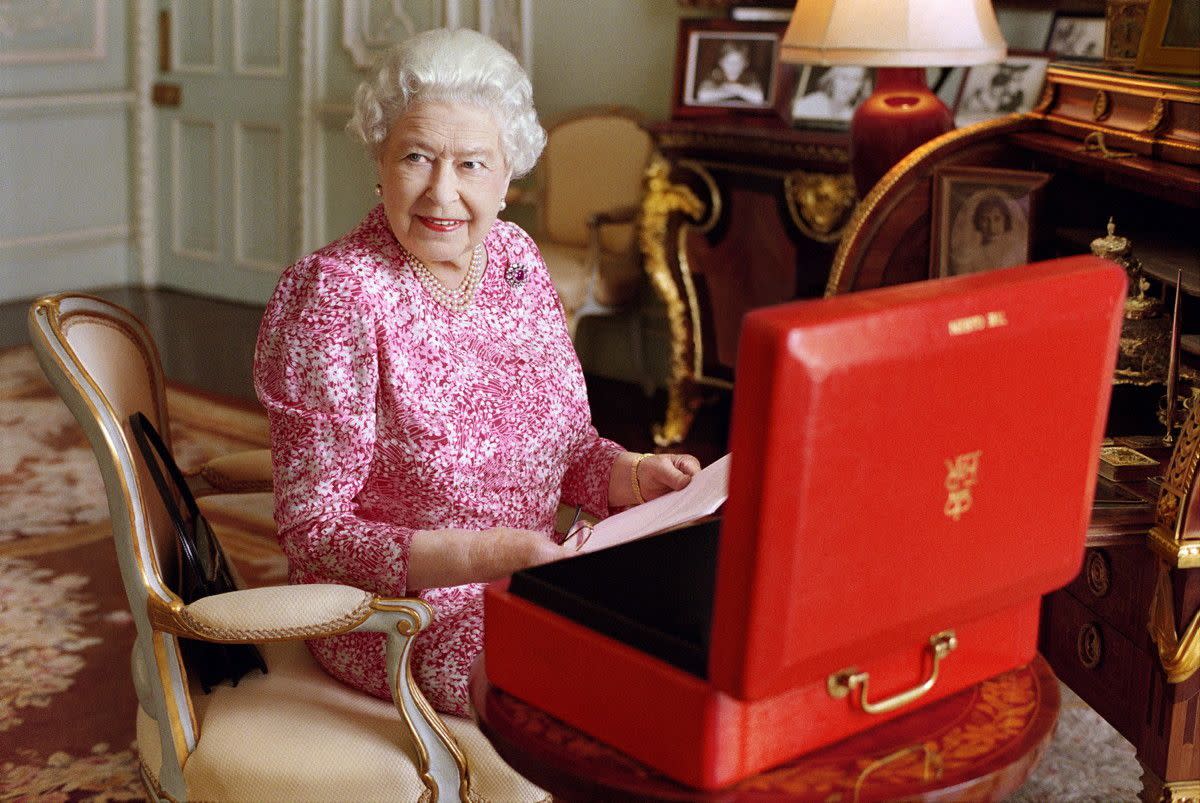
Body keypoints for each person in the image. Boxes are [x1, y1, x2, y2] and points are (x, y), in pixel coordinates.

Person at [254, 28, 701, 717]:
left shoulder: (516, 259)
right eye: (417, 157)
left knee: (691, 640)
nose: (442, 191)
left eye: (470, 164)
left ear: (507, 176)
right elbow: (316, 532)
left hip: (534, 574)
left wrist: (635, 474)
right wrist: (490, 554)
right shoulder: (339, 294)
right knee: (587, 699)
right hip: (400, 614)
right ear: (380, 157)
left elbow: (569, 448)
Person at [949, 190, 1028, 274]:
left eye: (997, 219)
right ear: (977, 221)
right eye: (985, 219)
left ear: (1005, 220)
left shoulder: (1017, 253)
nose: (992, 227)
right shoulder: (971, 256)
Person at [695, 41, 766, 105]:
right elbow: (702, 96)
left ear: (746, 63)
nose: (733, 66)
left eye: (738, 62)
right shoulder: (715, 75)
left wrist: (736, 88)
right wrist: (736, 91)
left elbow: (759, 98)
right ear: (721, 62)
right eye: (728, 62)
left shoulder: (749, 77)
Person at [791, 65, 870, 123]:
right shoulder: (807, 105)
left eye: (855, 79)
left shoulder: (852, 116)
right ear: (832, 79)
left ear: (861, 85)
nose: (848, 85)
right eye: (844, 78)